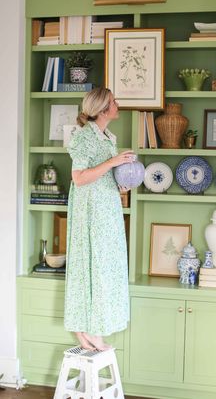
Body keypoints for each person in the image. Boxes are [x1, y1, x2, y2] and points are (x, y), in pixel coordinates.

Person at [64, 87, 134, 351]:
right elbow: (79, 178)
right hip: (91, 210)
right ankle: (87, 329)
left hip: (107, 207)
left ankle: (91, 328)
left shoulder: (108, 137)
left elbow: (103, 174)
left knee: (106, 266)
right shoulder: (83, 138)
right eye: (114, 101)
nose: (117, 104)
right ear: (104, 108)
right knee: (91, 266)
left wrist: (122, 182)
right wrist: (112, 162)